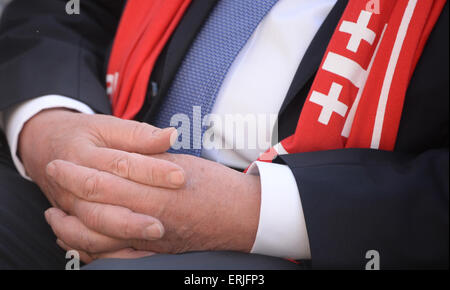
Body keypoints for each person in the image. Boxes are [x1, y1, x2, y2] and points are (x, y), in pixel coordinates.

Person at [0, 0, 448, 270]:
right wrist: (49, 127)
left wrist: (252, 213)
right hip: (102, 141)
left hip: (312, 233)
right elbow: (67, 10)